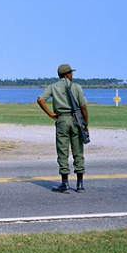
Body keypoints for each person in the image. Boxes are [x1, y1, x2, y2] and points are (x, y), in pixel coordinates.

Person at [36, 64, 89, 193]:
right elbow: (83, 107)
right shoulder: (76, 87)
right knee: (78, 152)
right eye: (71, 73)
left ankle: (65, 183)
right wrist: (85, 123)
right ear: (67, 74)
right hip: (76, 120)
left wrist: (50, 114)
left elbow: (40, 99)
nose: (72, 75)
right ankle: (80, 184)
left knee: (62, 152)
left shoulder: (53, 87)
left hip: (62, 120)